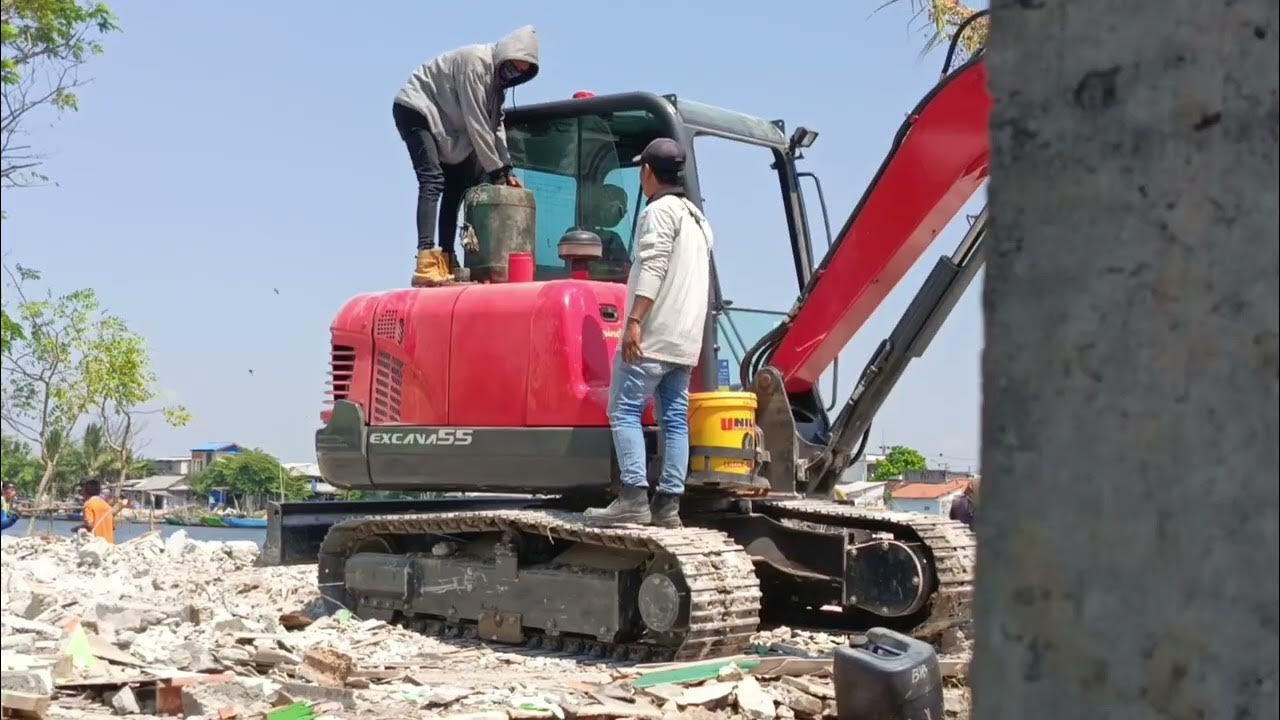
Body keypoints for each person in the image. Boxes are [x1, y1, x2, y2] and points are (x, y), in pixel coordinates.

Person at [585, 138, 714, 528]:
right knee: (674, 418)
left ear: (648, 172)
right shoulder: (698, 219)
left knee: (623, 411)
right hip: (685, 340)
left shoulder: (660, 212)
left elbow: (654, 267)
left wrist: (635, 321)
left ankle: (634, 498)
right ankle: (668, 506)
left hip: (654, 335)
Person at [393, 26, 540, 287]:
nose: (512, 74)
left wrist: (506, 169)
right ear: (504, 57)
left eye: (518, 73)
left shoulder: (497, 87)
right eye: (511, 67)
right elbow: (477, 124)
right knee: (432, 179)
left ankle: (447, 258)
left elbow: (496, 126)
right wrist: (495, 172)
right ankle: (426, 260)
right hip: (417, 109)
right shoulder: (476, 64)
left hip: (446, 122)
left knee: (457, 187)